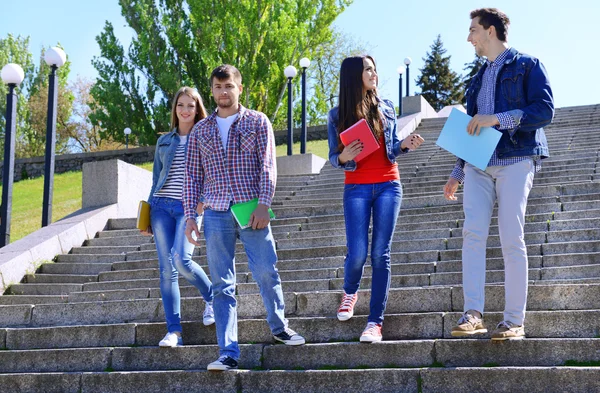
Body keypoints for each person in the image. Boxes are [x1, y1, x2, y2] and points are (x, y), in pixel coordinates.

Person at [184, 64, 305, 371]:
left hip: (251, 210)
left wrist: (264, 204)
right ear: (211, 91)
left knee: (266, 270)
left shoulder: (257, 121)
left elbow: (267, 166)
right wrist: (189, 217)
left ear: (239, 88)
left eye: (228, 86)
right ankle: (228, 351)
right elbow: (192, 177)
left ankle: (279, 328)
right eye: (217, 87)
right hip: (215, 213)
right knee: (222, 285)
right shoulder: (201, 130)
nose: (223, 92)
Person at [444, 8, 554, 340]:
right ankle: (473, 313)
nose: (469, 37)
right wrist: (457, 173)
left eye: (473, 30)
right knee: (472, 235)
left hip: (516, 159)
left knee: (511, 237)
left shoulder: (528, 65)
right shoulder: (476, 79)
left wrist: (499, 118)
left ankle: (513, 321)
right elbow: (473, 128)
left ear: (490, 31)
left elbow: (544, 109)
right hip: (478, 166)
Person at [327, 55, 424, 343]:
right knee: (357, 253)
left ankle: (374, 323)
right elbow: (335, 156)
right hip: (356, 186)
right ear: (354, 75)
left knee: (381, 254)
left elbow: (390, 147)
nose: (374, 73)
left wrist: (403, 146)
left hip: (388, 184)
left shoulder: (387, 107)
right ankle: (349, 291)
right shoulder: (336, 114)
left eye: (374, 69)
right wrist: (343, 156)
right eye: (368, 69)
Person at [142, 86, 215, 348]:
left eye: (190, 105)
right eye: (180, 105)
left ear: (197, 109)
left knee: (182, 259)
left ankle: (212, 297)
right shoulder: (164, 141)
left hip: (189, 207)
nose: (185, 110)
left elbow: (211, 174)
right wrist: (148, 212)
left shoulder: (206, 136)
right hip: (161, 207)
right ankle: (174, 331)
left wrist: (201, 204)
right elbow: (156, 179)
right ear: (175, 108)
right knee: (166, 270)